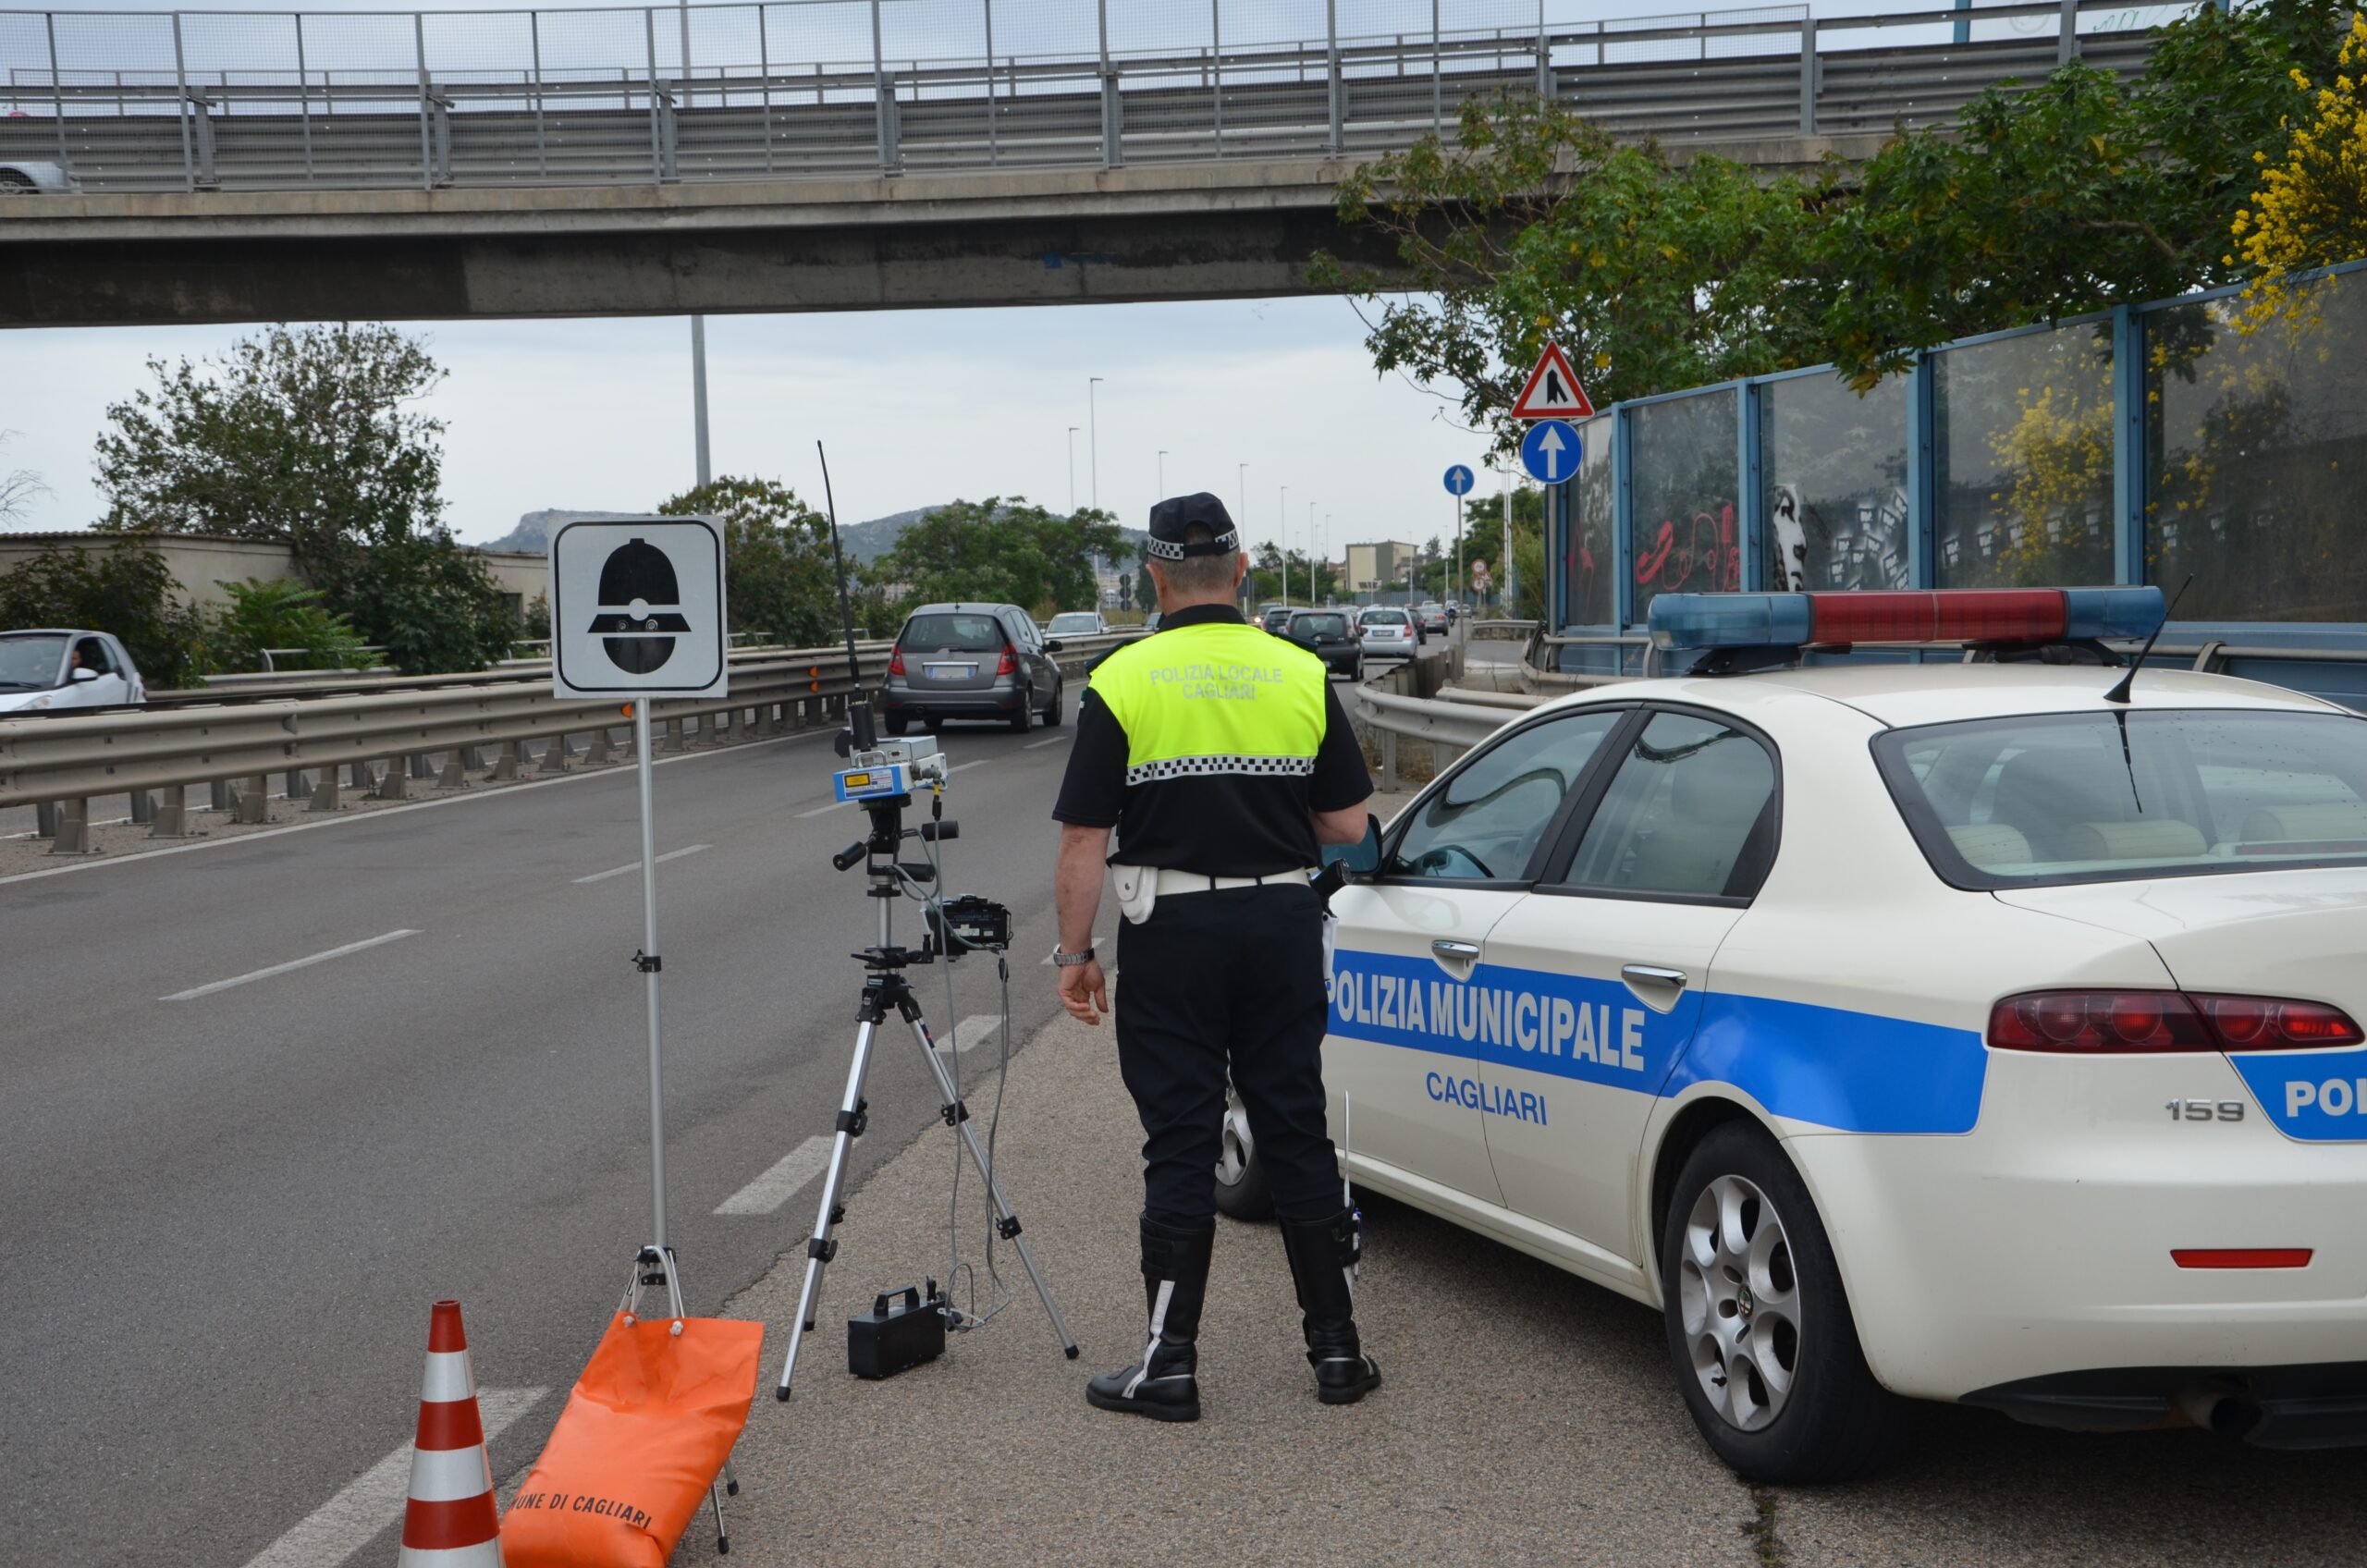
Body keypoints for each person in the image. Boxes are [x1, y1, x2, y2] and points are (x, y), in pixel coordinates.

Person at [1049, 491, 1379, 1423]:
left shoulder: (1125, 678)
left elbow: (1084, 842)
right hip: (1279, 924)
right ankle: (1338, 1353)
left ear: (1154, 579)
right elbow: (1348, 826)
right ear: (1240, 573)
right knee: (1294, 1126)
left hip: (1172, 934)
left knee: (1182, 1142)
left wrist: (1074, 954)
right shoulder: (1297, 671)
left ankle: (1169, 1363)